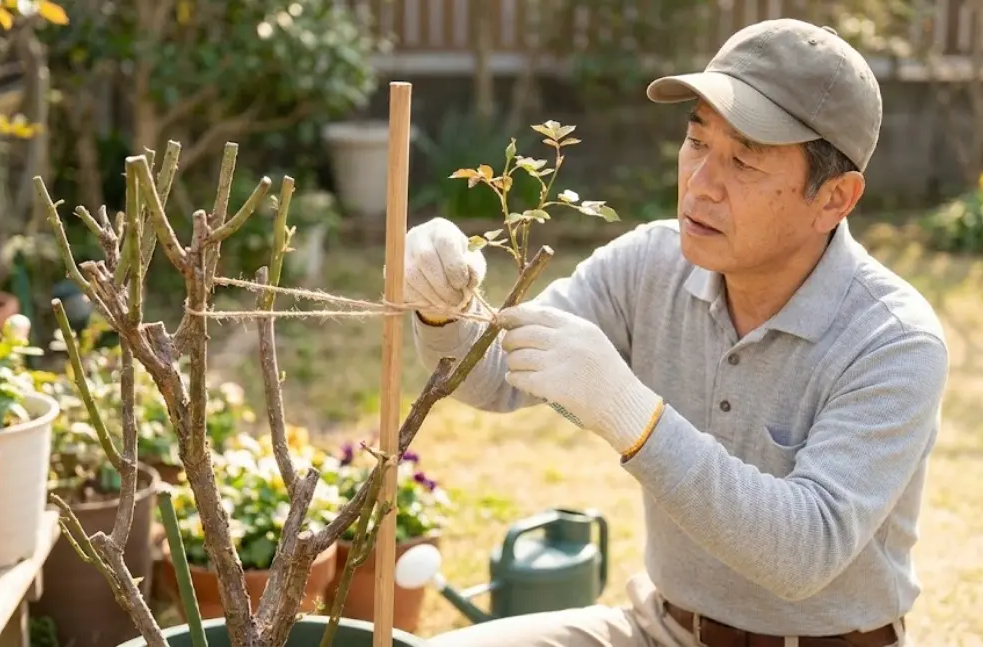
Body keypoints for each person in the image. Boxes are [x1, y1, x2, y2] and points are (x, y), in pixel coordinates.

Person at [404, 17, 948, 647]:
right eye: (697, 141)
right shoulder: (650, 264)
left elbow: (804, 553)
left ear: (834, 198)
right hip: (660, 629)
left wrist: (628, 413)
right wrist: (443, 307)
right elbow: (497, 375)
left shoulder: (893, 341)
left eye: (744, 160)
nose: (699, 185)